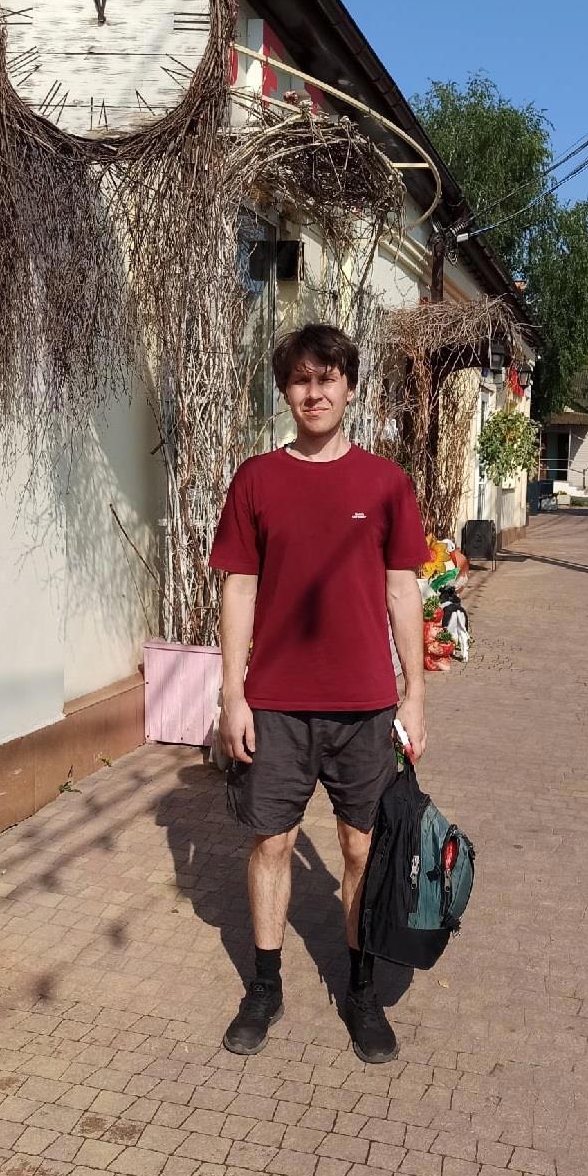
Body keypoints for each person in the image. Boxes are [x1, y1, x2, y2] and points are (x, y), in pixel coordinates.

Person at [209, 323, 430, 1065]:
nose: (314, 392)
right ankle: (265, 986)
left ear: (350, 388)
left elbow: (403, 590)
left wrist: (414, 694)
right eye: (301, 380)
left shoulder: (387, 483)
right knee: (272, 841)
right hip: (275, 703)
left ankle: (361, 991)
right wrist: (232, 694)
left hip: (365, 704)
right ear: (286, 391)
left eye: (327, 378)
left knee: (361, 846)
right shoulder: (256, 480)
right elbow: (239, 588)